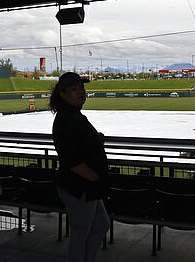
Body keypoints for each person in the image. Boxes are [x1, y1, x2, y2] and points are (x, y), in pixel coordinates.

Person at [49, 72, 110, 262]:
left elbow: (79, 141)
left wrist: (95, 139)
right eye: (74, 89)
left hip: (87, 186)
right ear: (63, 94)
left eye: (82, 88)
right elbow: (72, 160)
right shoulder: (66, 118)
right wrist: (95, 177)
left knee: (101, 224)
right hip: (80, 186)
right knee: (81, 232)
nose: (81, 92)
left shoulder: (73, 115)